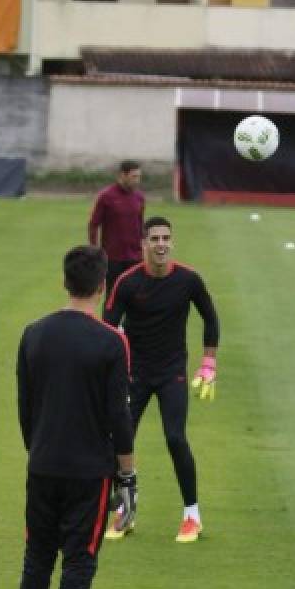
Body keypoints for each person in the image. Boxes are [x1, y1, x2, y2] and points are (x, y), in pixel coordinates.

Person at [9, 245, 136, 589]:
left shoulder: (33, 334)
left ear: (65, 282)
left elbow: (25, 407)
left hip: (42, 465)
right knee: (78, 566)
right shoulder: (111, 341)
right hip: (89, 473)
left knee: (37, 561)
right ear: (102, 286)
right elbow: (119, 418)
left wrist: (39, 448)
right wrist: (127, 479)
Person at [103, 216, 219, 543]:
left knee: (175, 438)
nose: (161, 244)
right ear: (143, 244)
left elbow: (210, 317)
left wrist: (208, 361)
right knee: (119, 443)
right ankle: (125, 512)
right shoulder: (127, 283)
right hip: (134, 375)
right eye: (154, 239)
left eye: (166, 238)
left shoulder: (188, 280)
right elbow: (108, 327)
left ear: (172, 241)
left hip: (172, 373)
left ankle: (192, 516)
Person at [88, 160, 144, 297]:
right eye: (134, 177)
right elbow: (93, 224)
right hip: (113, 258)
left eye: (139, 177)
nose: (137, 181)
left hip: (135, 257)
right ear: (122, 175)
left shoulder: (139, 198)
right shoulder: (106, 197)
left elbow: (140, 224)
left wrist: (144, 249)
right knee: (113, 296)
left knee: (136, 296)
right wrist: (95, 250)